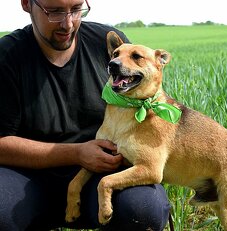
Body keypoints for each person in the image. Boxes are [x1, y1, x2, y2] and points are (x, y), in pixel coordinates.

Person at [0, 0, 171, 230]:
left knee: (144, 208)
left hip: (100, 175)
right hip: (26, 178)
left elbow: (148, 97)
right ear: (26, 4)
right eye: (55, 11)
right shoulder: (7, 56)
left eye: (76, 9)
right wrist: (77, 153)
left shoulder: (107, 44)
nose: (68, 23)